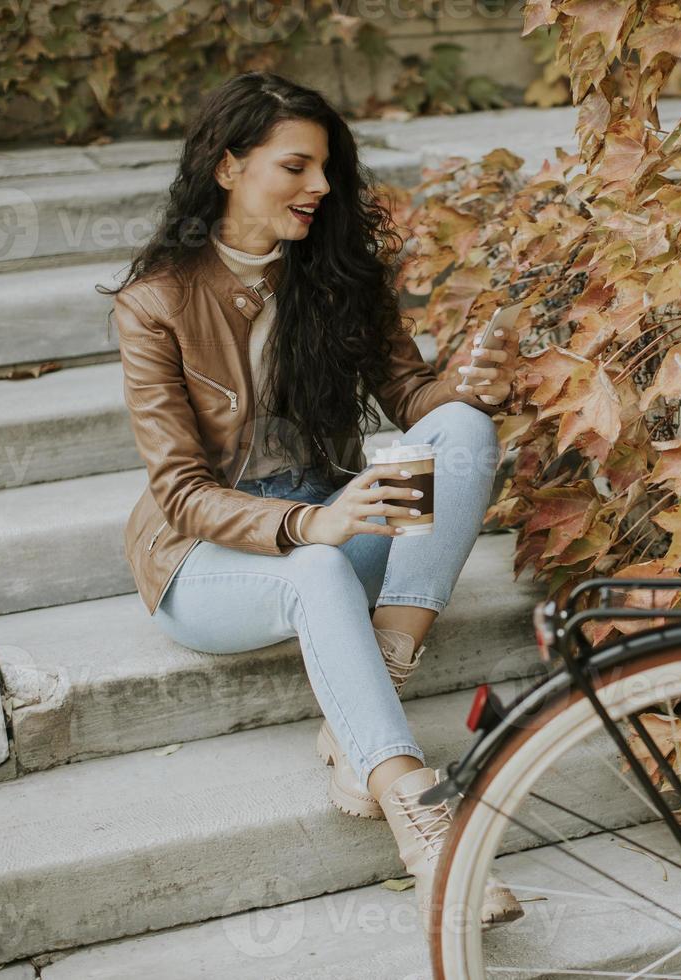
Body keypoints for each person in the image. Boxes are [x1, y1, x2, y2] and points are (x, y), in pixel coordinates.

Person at [101, 70, 524, 933]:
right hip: (205, 563)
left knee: (464, 434)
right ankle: (428, 831)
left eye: (326, 168)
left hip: (329, 520)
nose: (321, 187)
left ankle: (375, 680)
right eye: (296, 167)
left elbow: (410, 399)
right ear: (229, 167)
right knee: (320, 565)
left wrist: (465, 389)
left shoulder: (334, 273)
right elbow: (180, 491)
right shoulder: (156, 304)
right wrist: (305, 523)